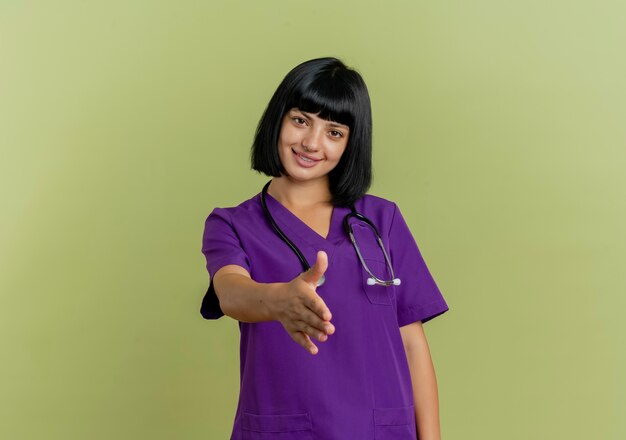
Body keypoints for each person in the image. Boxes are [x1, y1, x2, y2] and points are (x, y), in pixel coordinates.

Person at [200, 57, 449, 440]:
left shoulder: (381, 220)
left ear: (351, 143)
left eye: (334, 132)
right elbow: (231, 291)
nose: (312, 143)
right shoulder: (232, 223)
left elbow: (412, 342)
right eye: (301, 120)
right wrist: (279, 299)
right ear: (278, 119)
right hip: (285, 429)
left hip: (380, 431)